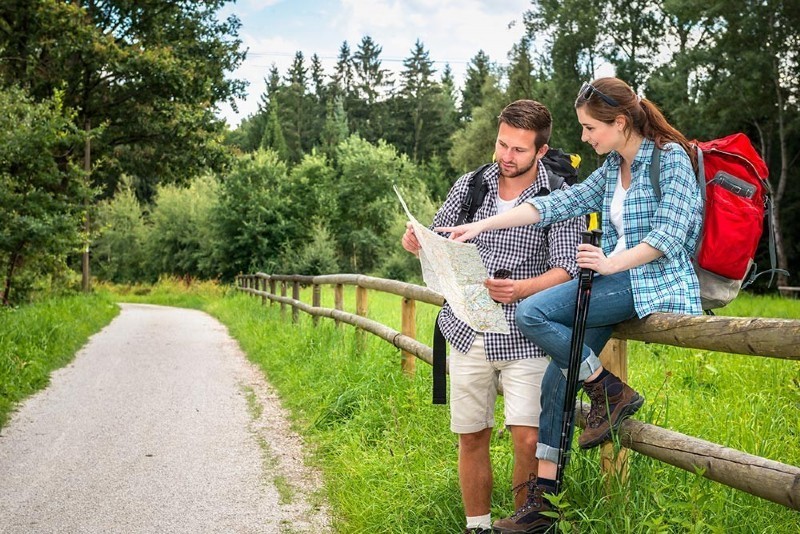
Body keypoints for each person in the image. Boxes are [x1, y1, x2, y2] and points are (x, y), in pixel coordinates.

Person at [437, 77, 703, 533]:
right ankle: (542, 508)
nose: (583, 138)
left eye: (589, 128)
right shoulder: (612, 167)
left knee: (532, 312)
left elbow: (670, 234)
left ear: (619, 123)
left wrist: (610, 262)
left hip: (652, 281)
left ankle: (609, 389)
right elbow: (556, 204)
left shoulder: (669, 158)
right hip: (612, 275)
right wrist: (481, 228)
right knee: (556, 382)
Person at [401, 99, 585, 534]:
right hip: (467, 329)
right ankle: (478, 527)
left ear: (541, 151)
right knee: (471, 434)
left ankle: (523, 525)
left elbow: (567, 268)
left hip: (525, 332)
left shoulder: (558, 195)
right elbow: (439, 235)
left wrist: (522, 289)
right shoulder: (472, 185)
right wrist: (416, 241)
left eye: (519, 150)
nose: (506, 156)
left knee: (527, 438)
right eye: (502, 144)